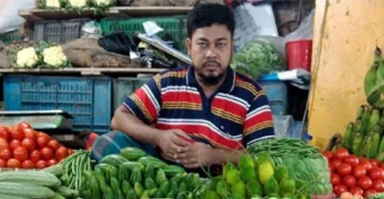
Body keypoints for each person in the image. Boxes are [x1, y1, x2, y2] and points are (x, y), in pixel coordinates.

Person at [93, 3, 275, 169]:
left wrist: (214, 156)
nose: (211, 53)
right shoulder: (167, 83)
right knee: (110, 142)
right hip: (165, 181)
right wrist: (159, 137)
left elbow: (265, 156)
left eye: (220, 44)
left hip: (222, 190)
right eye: (202, 44)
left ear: (231, 47)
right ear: (189, 46)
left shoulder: (252, 94)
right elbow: (120, 118)